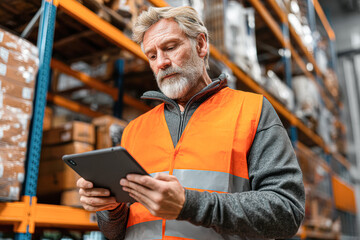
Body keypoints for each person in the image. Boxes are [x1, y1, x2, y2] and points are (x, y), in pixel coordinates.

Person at [77, 6, 305, 240]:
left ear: (201, 45)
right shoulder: (134, 130)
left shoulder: (251, 111)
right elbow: (116, 233)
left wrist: (189, 204)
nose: (162, 63)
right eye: (152, 55)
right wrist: (110, 210)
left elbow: (287, 212)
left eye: (170, 47)